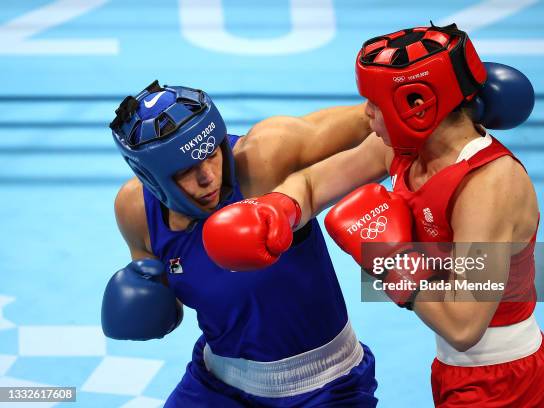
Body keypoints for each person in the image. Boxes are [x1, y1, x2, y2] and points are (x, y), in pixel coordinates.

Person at [207, 23, 544, 406]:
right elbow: (312, 184)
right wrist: (278, 209)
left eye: (376, 103)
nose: (366, 113)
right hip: (456, 369)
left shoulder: (488, 186)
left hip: (508, 381)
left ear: (416, 105)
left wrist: (389, 257)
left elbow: (465, 325)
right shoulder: (403, 150)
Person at [101, 80, 378, 407]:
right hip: (218, 382)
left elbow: (372, 118)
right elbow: (170, 304)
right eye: (186, 170)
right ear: (152, 178)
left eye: (211, 154)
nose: (208, 177)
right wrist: (149, 303)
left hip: (325, 383)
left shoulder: (264, 159)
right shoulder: (135, 211)